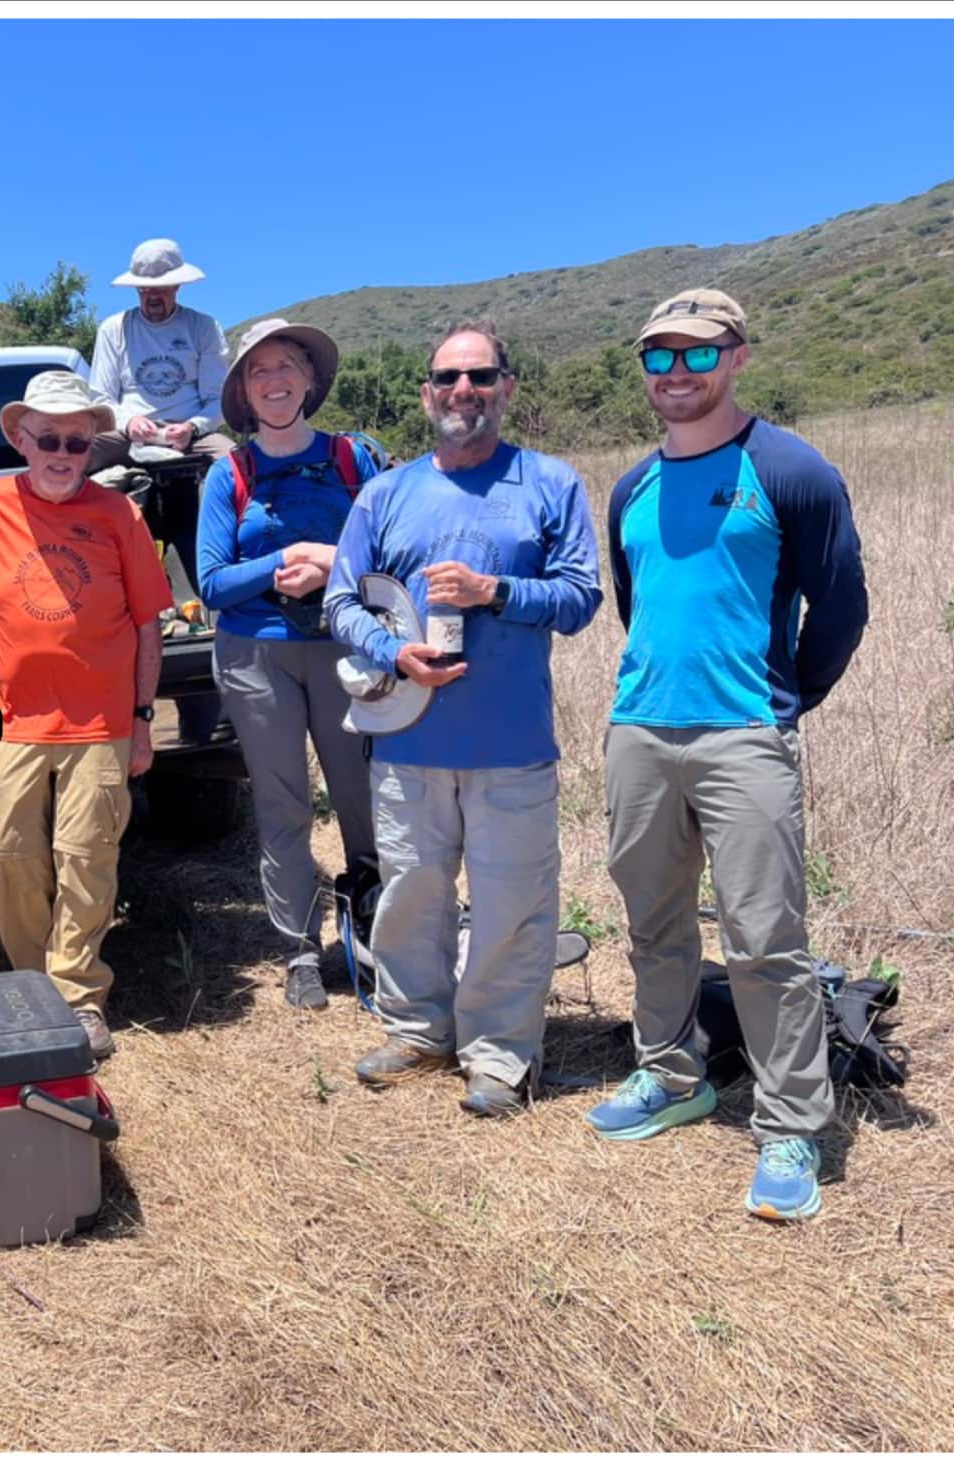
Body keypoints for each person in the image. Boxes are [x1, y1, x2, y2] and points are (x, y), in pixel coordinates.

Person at [579, 289, 868, 1221]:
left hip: (744, 734)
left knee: (764, 939)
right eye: (657, 357)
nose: (675, 374)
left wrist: (782, 704)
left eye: (697, 356)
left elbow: (840, 607)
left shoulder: (789, 470)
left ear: (737, 358)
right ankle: (670, 1074)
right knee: (652, 921)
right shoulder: (628, 487)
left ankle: (790, 1123)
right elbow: (639, 605)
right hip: (639, 730)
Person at [320, 321, 601, 1117]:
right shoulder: (385, 493)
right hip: (406, 736)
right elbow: (340, 599)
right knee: (411, 890)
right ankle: (417, 1030)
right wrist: (391, 651)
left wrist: (496, 593)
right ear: (425, 393)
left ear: (507, 387)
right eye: (447, 377)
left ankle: (499, 1053)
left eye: (480, 376)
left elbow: (581, 598)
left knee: (513, 901)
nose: (463, 391)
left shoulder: (548, 483)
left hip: (511, 743)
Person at [0, 370, 164, 1059]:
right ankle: (33, 983)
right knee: (9, 855)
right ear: (22, 439)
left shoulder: (118, 514)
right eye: (47, 438)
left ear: (91, 446)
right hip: (13, 720)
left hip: (102, 721)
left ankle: (78, 997)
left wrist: (142, 717)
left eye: (75, 442)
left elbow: (147, 623)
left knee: (88, 860)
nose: (60, 452)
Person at [191, 319, 390, 1010]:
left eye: (285, 367)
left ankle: (374, 927)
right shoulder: (229, 473)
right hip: (255, 652)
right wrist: (280, 563)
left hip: (343, 643)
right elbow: (211, 582)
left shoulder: (353, 459)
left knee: (361, 793)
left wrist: (329, 563)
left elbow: (390, 552)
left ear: (309, 379)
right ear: (243, 393)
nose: (273, 381)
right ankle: (299, 947)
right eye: (257, 371)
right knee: (281, 805)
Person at [86, 238, 238, 545]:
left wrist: (192, 427)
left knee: (232, 461)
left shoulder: (202, 327)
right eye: (145, 289)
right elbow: (100, 399)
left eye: (162, 288)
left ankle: (229, 544)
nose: (153, 296)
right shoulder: (114, 328)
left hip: (190, 432)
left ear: (178, 287)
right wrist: (128, 423)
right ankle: (80, 537)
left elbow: (216, 399)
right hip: (130, 430)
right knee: (77, 453)